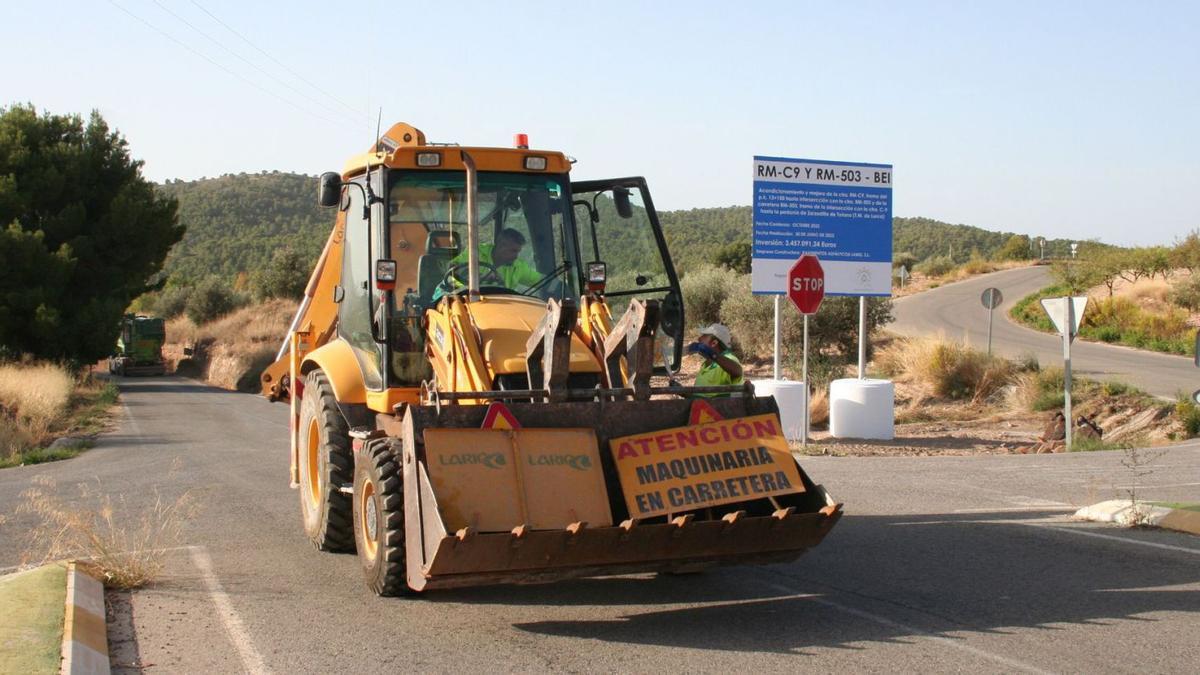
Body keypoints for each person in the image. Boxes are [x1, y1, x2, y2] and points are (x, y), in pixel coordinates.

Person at [447, 228, 542, 291]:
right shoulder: (475, 253)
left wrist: (556, 284)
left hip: (499, 310)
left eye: (518, 252)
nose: (516, 256)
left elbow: (540, 280)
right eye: (513, 251)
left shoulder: (518, 267)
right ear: (501, 245)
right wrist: (477, 278)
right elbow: (452, 269)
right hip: (468, 303)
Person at [687, 323, 743, 397]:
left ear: (714, 343)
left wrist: (712, 354)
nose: (699, 339)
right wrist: (681, 391)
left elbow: (738, 371)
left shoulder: (729, 358)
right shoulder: (706, 364)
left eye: (704, 336)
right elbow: (701, 397)